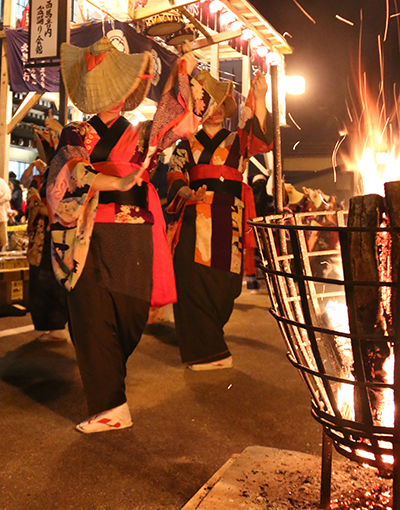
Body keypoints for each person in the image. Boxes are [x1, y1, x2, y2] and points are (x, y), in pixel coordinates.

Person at [47, 36, 201, 433]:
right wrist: (114, 182)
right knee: (92, 317)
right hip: (88, 235)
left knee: (129, 318)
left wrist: (182, 72)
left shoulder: (143, 132)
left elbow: (179, 122)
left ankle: (111, 391)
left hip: (133, 235)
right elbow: (72, 172)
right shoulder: (77, 132)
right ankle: (110, 405)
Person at [167, 71, 272, 370]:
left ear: (226, 110)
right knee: (190, 281)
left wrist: (261, 96)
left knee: (226, 286)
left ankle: (211, 337)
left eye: (219, 106)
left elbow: (262, 138)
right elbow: (174, 175)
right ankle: (208, 352)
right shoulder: (185, 144)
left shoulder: (237, 141)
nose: (213, 111)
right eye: (207, 105)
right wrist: (188, 191)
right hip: (193, 215)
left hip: (229, 219)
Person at [26, 125, 69, 342]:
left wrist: (43, 207)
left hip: (57, 235)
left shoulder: (63, 172)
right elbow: (32, 193)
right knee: (40, 278)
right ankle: (47, 324)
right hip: (43, 236)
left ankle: (57, 324)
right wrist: (37, 203)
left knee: (53, 278)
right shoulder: (46, 174)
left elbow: (65, 204)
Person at [0, 178, 11, 251]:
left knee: (1, 242)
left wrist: (0, 200)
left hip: (1, 217)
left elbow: (8, 195)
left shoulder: (1, 182)